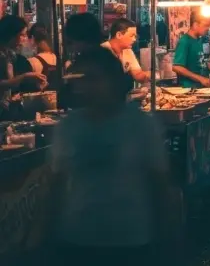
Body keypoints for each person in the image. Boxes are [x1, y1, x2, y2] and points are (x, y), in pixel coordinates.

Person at [47, 46, 169, 265]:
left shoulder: (140, 124)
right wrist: (44, 237)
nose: (86, 86)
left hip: (130, 240)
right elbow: (54, 184)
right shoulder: (69, 126)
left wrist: (169, 239)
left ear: (112, 80)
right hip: (78, 238)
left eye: (93, 78)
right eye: (81, 79)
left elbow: (159, 184)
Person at [0, 16, 47, 120]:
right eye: (22, 35)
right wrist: (24, 77)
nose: (24, 39)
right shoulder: (4, 56)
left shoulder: (11, 56)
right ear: (10, 34)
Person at [103, 18, 149, 84]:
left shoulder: (128, 51)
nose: (134, 39)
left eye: (135, 36)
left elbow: (138, 75)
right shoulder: (102, 51)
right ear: (119, 35)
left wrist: (155, 74)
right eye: (131, 36)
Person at [171, 13, 210, 88]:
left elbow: (199, 61)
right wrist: (200, 78)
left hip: (202, 88)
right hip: (189, 89)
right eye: (205, 25)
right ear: (195, 25)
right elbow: (177, 67)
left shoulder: (200, 40)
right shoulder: (184, 41)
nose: (207, 28)